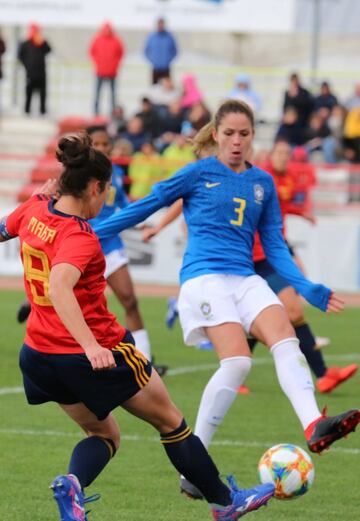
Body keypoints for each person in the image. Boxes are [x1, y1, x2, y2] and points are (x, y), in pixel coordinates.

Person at [0, 133, 275, 521]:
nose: (105, 199)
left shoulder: (35, 208)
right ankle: (227, 502)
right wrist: (91, 346)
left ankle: (72, 486)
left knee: (104, 435)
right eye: (106, 191)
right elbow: (59, 286)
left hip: (39, 355)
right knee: (170, 422)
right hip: (96, 351)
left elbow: (3, 229)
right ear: (95, 186)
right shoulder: (80, 237)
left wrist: (40, 201)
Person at [92, 99, 360, 498]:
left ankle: (313, 425)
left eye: (245, 134)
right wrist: (86, 231)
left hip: (244, 278)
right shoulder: (198, 173)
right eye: (230, 133)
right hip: (203, 278)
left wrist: (306, 287)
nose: (237, 141)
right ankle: (192, 463)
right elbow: (145, 207)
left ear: (254, 137)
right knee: (237, 362)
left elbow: (274, 245)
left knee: (285, 337)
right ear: (216, 134)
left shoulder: (263, 183)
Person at [89, 22, 125, 115]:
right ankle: (96, 111)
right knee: (97, 93)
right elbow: (92, 52)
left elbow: (121, 53)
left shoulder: (116, 40)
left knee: (113, 94)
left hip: (112, 71)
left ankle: (113, 111)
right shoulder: (97, 39)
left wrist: (115, 64)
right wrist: (98, 62)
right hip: (100, 71)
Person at [18, 23, 51, 115]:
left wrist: (42, 43)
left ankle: (42, 111)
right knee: (29, 93)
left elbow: (49, 50)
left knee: (42, 94)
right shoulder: (25, 44)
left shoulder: (42, 43)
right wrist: (27, 66)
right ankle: (27, 110)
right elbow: (20, 56)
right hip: (30, 73)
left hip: (41, 73)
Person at [144, 17, 178, 84]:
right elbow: (146, 51)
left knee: (167, 89)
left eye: (162, 24)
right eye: (159, 24)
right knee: (154, 88)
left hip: (166, 68)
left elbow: (175, 51)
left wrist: (168, 60)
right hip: (155, 68)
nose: (160, 25)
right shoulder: (151, 37)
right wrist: (153, 60)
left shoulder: (169, 37)